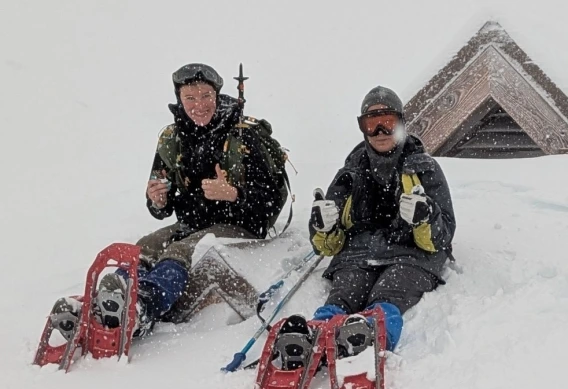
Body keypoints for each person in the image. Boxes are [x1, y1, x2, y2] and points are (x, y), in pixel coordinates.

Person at [50, 63, 284, 338]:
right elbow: (161, 203)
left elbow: (272, 200)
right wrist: (158, 200)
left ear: (217, 95)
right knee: (143, 248)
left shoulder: (245, 135)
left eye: (206, 96)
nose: (199, 105)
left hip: (242, 226)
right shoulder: (172, 137)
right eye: (190, 98)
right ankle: (108, 302)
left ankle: (142, 307)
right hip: (194, 222)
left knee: (180, 251)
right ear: (179, 99)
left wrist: (234, 195)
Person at [305, 85, 456, 353]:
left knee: (390, 291)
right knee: (345, 292)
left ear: (401, 124)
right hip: (358, 254)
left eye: (387, 123)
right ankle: (316, 336)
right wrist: (322, 226)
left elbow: (442, 238)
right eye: (372, 124)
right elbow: (327, 246)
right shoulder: (350, 172)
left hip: (411, 255)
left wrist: (426, 218)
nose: (380, 132)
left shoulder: (425, 168)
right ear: (362, 128)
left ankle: (372, 333)